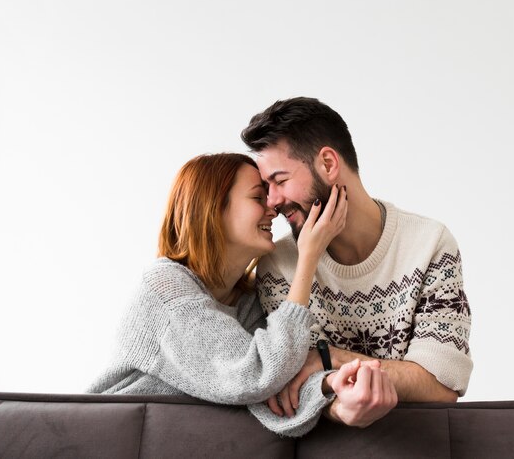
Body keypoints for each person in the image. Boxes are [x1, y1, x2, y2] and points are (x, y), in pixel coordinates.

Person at [87, 153, 397, 437]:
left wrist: (329, 384)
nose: (273, 207)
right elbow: (256, 373)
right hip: (109, 439)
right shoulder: (165, 288)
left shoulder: (246, 303)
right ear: (212, 209)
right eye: (257, 197)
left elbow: (272, 393)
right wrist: (308, 259)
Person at [241, 97, 472, 416]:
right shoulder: (277, 264)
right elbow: (291, 384)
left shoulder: (429, 244)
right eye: (266, 188)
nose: (273, 201)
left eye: (280, 181)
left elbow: (442, 385)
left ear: (328, 164)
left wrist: (331, 358)